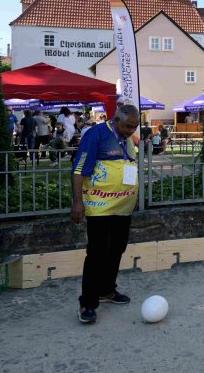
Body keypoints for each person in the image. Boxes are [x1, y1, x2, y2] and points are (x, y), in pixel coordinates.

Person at [70, 104, 141, 324]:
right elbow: (78, 169)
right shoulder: (96, 134)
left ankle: (107, 290)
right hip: (100, 206)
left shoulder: (127, 137)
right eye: (129, 127)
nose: (132, 131)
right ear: (116, 120)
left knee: (117, 248)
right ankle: (87, 303)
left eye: (134, 127)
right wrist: (77, 203)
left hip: (123, 205)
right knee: (97, 253)